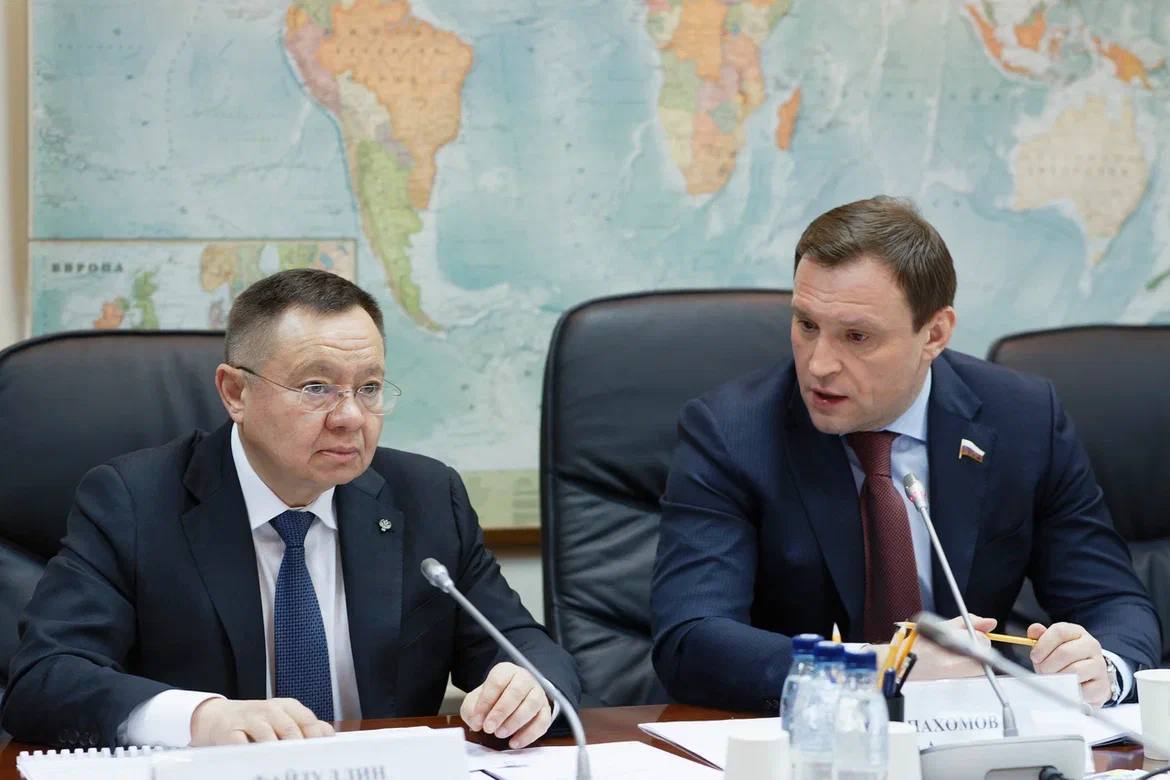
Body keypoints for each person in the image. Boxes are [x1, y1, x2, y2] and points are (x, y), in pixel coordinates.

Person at [2, 269, 579, 749]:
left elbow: (526, 648)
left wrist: (529, 689)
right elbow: (44, 680)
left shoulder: (425, 495)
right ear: (235, 392)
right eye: (315, 388)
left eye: (369, 388)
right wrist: (200, 719)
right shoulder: (134, 501)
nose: (350, 417)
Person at [651, 196, 1159, 713]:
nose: (820, 364)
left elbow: (1111, 600)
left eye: (857, 336)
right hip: (808, 736)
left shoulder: (1023, 420)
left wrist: (1102, 669)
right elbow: (691, 640)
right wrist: (882, 667)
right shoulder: (732, 433)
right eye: (807, 325)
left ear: (934, 334)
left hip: (978, 732)